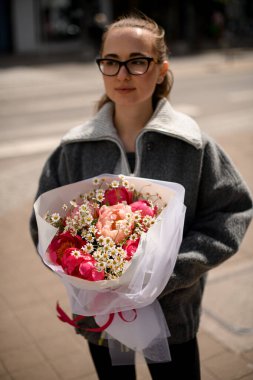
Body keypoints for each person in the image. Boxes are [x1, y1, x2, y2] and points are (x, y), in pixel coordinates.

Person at [30, 12, 253, 380]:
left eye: (137, 62)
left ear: (161, 68)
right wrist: (87, 272)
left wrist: (170, 271)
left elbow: (231, 212)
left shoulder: (191, 146)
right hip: (99, 317)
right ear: (101, 67)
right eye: (111, 62)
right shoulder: (74, 149)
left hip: (173, 313)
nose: (122, 74)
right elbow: (44, 227)